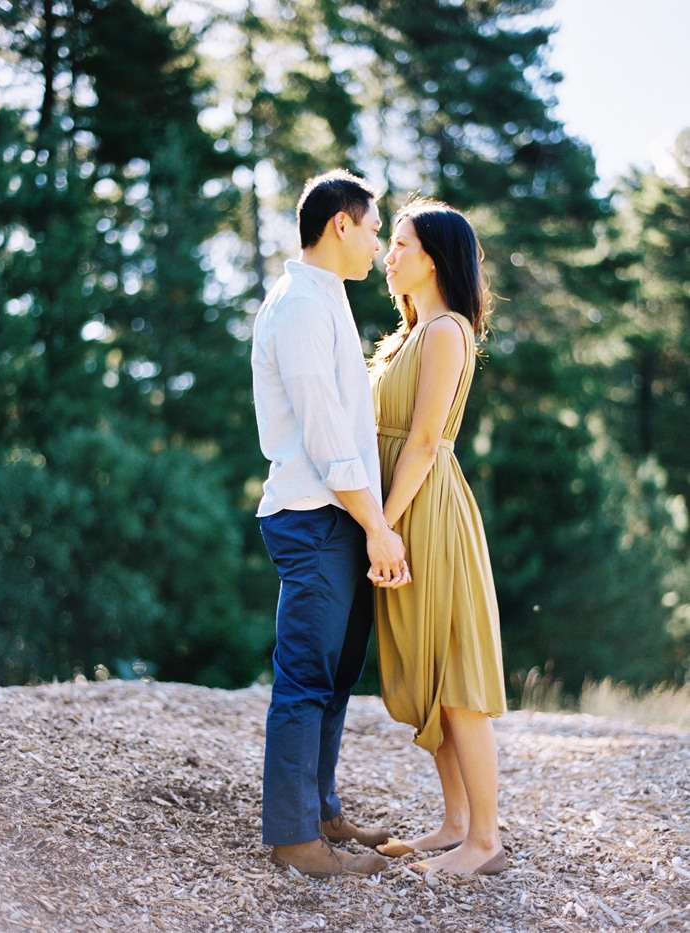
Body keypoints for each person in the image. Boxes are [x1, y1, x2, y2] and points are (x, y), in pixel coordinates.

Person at [251, 169, 411, 879]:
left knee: (338, 674)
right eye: (375, 226)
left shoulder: (327, 299)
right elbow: (325, 438)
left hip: (338, 516)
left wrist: (368, 522)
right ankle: (295, 840)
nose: (379, 242)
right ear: (340, 224)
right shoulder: (299, 309)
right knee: (306, 677)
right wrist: (378, 526)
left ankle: (319, 809)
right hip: (316, 517)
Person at [369, 197, 508, 876]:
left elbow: (424, 443)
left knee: (454, 673)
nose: (387, 255)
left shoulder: (448, 330)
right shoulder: (405, 335)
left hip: (425, 512)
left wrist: (383, 526)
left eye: (400, 244)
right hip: (403, 509)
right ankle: (455, 822)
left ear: (434, 259)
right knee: (425, 671)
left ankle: (485, 841)